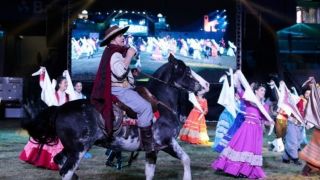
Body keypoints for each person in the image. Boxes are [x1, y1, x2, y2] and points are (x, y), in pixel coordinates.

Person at [91, 25, 154, 154]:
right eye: (120, 36)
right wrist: (130, 55)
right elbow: (120, 72)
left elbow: (120, 72)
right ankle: (147, 144)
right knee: (146, 107)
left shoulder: (113, 52)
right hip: (120, 91)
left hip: (121, 88)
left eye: (122, 35)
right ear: (112, 40)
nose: (123, 38)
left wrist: (132, 73)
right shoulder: (114, 53)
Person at [212, 72, 273, 179]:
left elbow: (264, 120)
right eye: (261, 90)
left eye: (264, 91)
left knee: (252, 150)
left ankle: (246, 170)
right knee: (241, 147)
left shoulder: (265, 106)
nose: (263, 92)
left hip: (256, 130)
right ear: (256, 91)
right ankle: (234, 168)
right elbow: (240, 90)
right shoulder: (249, 100)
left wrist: (270, 122)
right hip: (246, 128)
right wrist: (237, 77)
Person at [19, 75, 68, 170]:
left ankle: (59, 160)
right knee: (46, 141)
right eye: (65, 83)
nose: (66, 84)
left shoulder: (67, 96)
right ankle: (44, 160)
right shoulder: (53, 94)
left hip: (61, 123)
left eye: (66, 83)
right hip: (52, 122)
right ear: (60, 84)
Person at [282, 88, 310, 165]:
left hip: (301, 125)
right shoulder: (298, 99)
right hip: (292, 122)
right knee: (292, 141)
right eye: (307, 93)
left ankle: (285, 158)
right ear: (304, 93)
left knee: (297, 141)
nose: (308, 95)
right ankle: (295, 158)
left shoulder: (309, 103)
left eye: (309, 93)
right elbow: (289, 104)